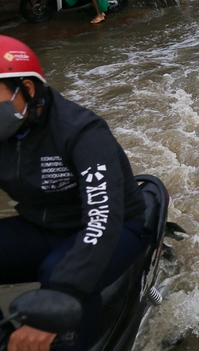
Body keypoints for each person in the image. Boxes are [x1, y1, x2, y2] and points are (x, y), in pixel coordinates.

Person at [0, 35, 148, 351]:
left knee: (58, 274)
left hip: (117, 228)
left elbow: (102, 216)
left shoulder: (80, 131)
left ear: (26, 89)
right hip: (43, 226)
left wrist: (62, 293)